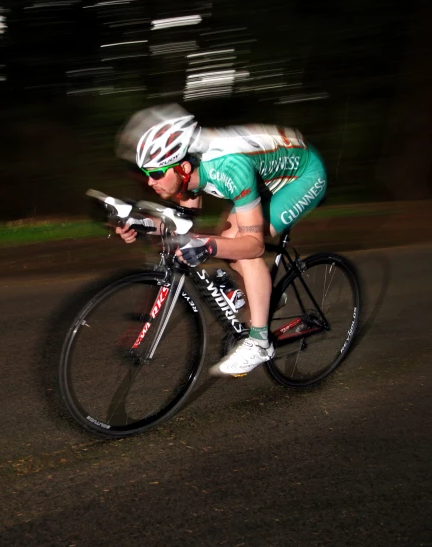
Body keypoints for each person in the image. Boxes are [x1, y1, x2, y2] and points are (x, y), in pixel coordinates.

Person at [115, 104, 327, 377]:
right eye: (146, 173)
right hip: (266, 172)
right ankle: (266, 295)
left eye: (156, 173)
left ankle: (261, 344)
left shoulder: (229, 167)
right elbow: (182, 226)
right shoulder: (188, 173)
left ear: (183, 167)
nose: (150, 181)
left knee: (239, 246)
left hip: (304, 175)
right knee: (225, 236)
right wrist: (141, 223)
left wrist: (210, 246)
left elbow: (254, 246)